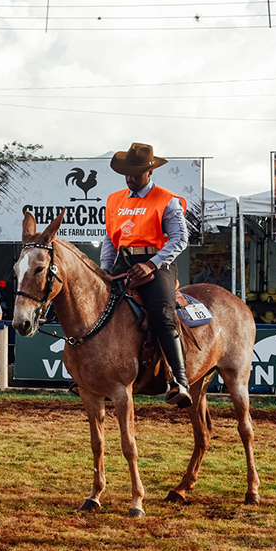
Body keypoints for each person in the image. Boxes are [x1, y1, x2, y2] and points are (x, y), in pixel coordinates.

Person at [101, 142, 191, 408]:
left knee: (163, 316)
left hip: (158, 265)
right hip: (123, 263)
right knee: (96, 308)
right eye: (127, 173)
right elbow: (109, 238)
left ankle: (178, 379)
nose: (130, 178)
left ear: (150, 172)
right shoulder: (115, 199)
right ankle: (94, 374)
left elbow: (179, 239)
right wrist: (105, 269)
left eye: (136, 173)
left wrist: (152, 264)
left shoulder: (167, 200)